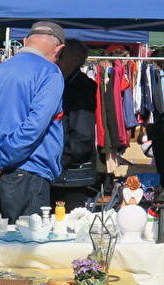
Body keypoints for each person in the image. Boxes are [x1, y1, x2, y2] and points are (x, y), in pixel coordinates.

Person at [0, 22, 66, 220]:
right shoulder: (50, 72)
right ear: (59, 49)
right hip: (26, 173)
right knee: (25, 247)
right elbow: (34, 125)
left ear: (25, 41)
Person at [53, 40, 101, 209]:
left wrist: (59, 162)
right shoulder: (65, 83)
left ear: (70, 58)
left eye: (59, 55)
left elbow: (82, 135)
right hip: (65, 171)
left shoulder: (81, 87)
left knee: (67, 224)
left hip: (71, 174)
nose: (55, 59)